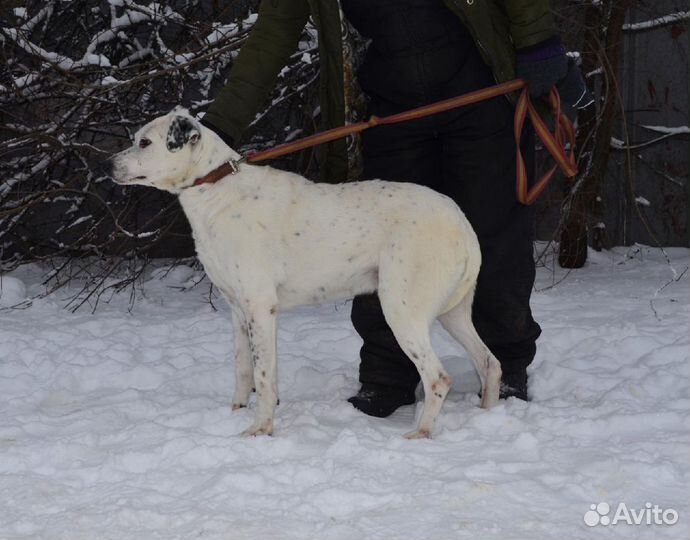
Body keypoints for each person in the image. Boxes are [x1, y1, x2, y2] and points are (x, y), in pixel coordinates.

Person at [201, 0, 591, 417]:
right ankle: (387, 376)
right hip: (393, 110)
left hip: (480, 90)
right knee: (373, 241)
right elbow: (273, 34)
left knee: (493, 232)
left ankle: (506, 364)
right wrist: (217, 130)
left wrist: (539, 43)